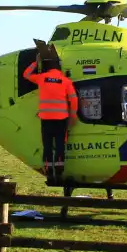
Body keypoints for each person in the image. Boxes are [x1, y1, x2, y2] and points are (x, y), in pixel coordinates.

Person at [23, 55, 78, 184]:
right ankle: (59, 172)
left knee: (47, 146)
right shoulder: (65, 81)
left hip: (46, 119)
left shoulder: (42, 78)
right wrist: (73, 116)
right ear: (59, 69)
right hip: (61, 120)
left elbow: (26, 74)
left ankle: (49, 172)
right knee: (59, 146)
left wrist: (35, 63)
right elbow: (74, 99)